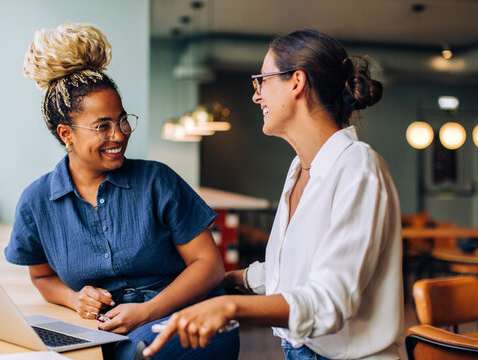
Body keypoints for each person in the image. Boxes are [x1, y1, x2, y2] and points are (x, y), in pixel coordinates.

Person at [144, 29, 403, 359]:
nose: (256, 96)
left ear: (296, 82)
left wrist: (230, 306)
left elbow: (330, 301)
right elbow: (298, 266)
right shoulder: (299, 167)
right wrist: (230, 280)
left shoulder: (358, 167)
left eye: (261, 81)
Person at [4, 23, 239, 359]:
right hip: (111, 326)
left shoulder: (158, 180)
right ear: (66, 134)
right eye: (103, 126)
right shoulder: (36, 201)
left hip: (193, 315)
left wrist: (148, 311)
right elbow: (41, 276)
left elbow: (209, 265)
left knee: (138, 354)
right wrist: (75, 298)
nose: (120, 134)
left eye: (122, 119)